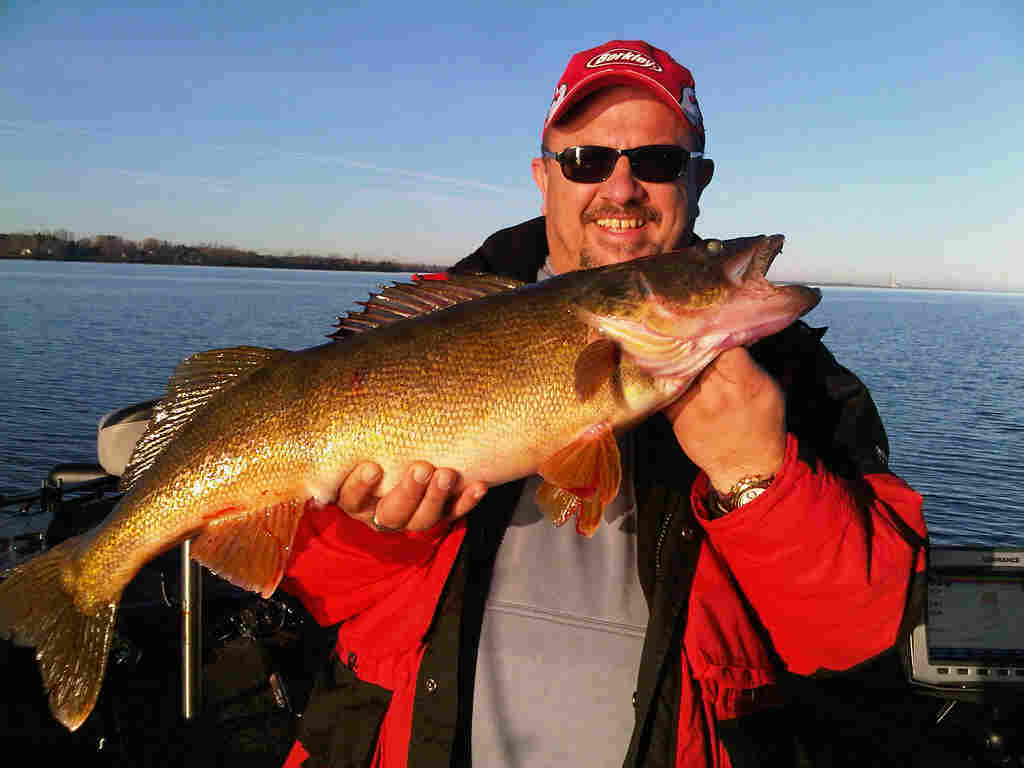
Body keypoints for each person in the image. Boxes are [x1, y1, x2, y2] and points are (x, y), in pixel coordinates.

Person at [280, 40, 927, 768]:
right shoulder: (422, 331)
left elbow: (857, 632)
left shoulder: (795, 380)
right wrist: (385, 531)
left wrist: (757, 477)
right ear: (543, 176)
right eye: (586, 160)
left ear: (698, 182)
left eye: (657, 162)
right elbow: (318, 589)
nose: (621, 189)